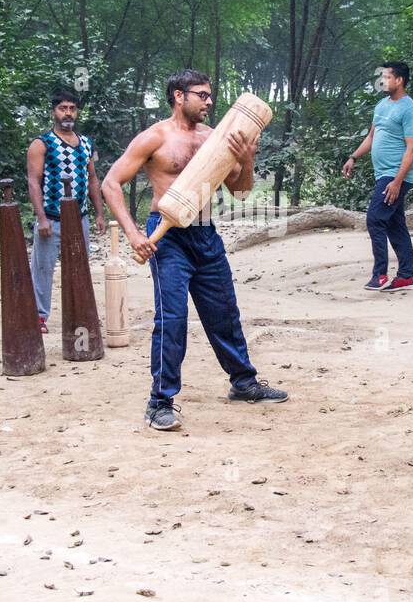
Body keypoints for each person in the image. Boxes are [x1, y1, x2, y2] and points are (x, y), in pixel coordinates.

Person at [101, 69, 288, 431]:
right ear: (178, 96)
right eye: (201, 95)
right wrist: (133, 233)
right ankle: (160, 402)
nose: (209, 101)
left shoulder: (215, 139)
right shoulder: (154, 137)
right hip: (167, 237)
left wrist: (247, 158)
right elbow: (111, 183)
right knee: (171, 319)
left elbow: (242, 192)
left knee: (224, 312)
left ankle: (243, 383)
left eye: (210, 95)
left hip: (205, 233)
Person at [26, 89, 107, 333]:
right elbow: (33, 181)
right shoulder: (42, 144)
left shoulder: (86, 143)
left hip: (79, 218)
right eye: (63, 108)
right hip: (51, 217)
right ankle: (38, 316)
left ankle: (80, 313)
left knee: (79, 266)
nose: (68, 113)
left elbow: (92, 179)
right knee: (42, 268)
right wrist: (41, 218)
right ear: (54, 112)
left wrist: (100, 214)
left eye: (72, 108)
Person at [341, 61, 413, 292]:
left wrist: (398, 181)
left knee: (375, 219)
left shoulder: (411, 110)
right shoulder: (381, 105)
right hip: (383, 175)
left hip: (395, 176)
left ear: (399, 80)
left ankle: (380, 275)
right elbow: (371, 136)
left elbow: (412, 149)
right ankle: (406, 276)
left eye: (387, 77)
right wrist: (353, 157)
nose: (382, 81)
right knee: (395, 225)